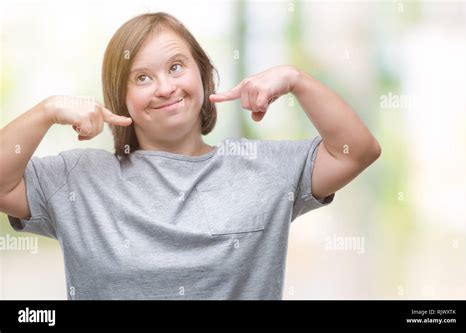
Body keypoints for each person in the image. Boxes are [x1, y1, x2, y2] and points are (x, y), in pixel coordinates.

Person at [0, 12, 381, 300]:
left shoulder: (265, 168)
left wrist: (296, 81)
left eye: (176, 67)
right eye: (142, 77)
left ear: (202, 75)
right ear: (122, 97)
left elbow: (357, 151)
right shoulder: (77, 178)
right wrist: (47, 111)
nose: (165, 87)